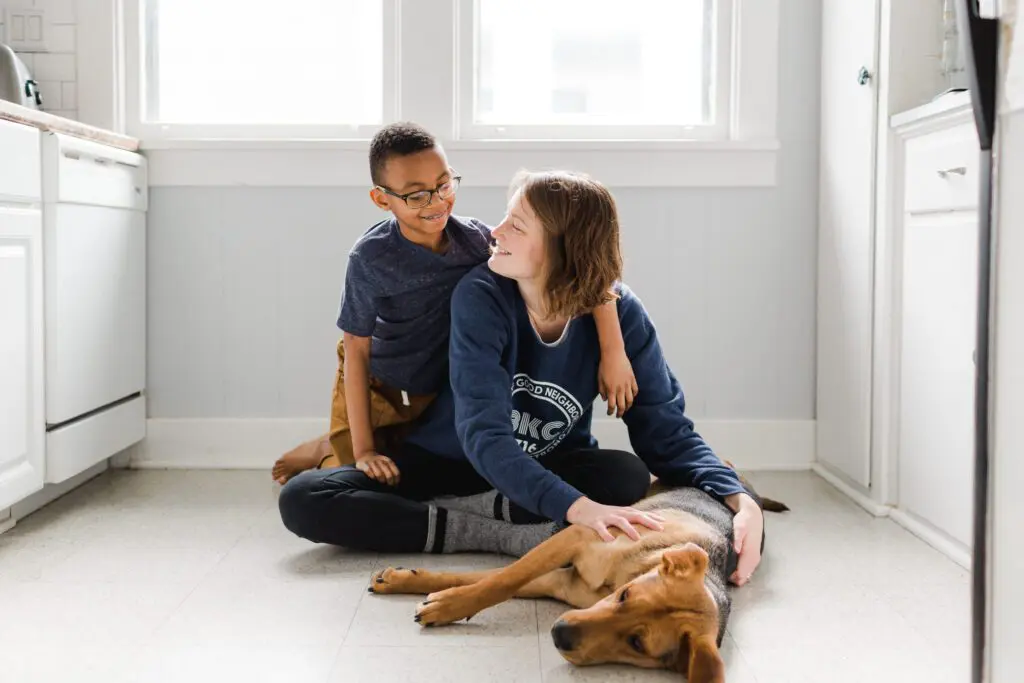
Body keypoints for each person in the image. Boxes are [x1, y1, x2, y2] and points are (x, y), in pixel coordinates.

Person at [279, 170, 765, 586]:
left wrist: (742, 502)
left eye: (516, 224)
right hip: (450, 458)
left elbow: (666, 430)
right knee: (304, 500)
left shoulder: (621, 315)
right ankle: (499, 532)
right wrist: (578, 511)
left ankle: (468, 514)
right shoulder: (480, 296)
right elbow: (485, 437)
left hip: (547, 463)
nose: (495, 231)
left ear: (562, 250)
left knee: (625, 475)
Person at [271, 123, 638, 486]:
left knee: (405, 461)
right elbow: (356, 349)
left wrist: (613, 350)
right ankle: (325, 448)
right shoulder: (370, 258)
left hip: (437, 385)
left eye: (444, 185)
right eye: (416, 195)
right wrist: (364, 450)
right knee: (360, 468)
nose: (436, 202)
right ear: (382, 199)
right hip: (380, 382)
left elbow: (581, 269)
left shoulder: (477, 240)